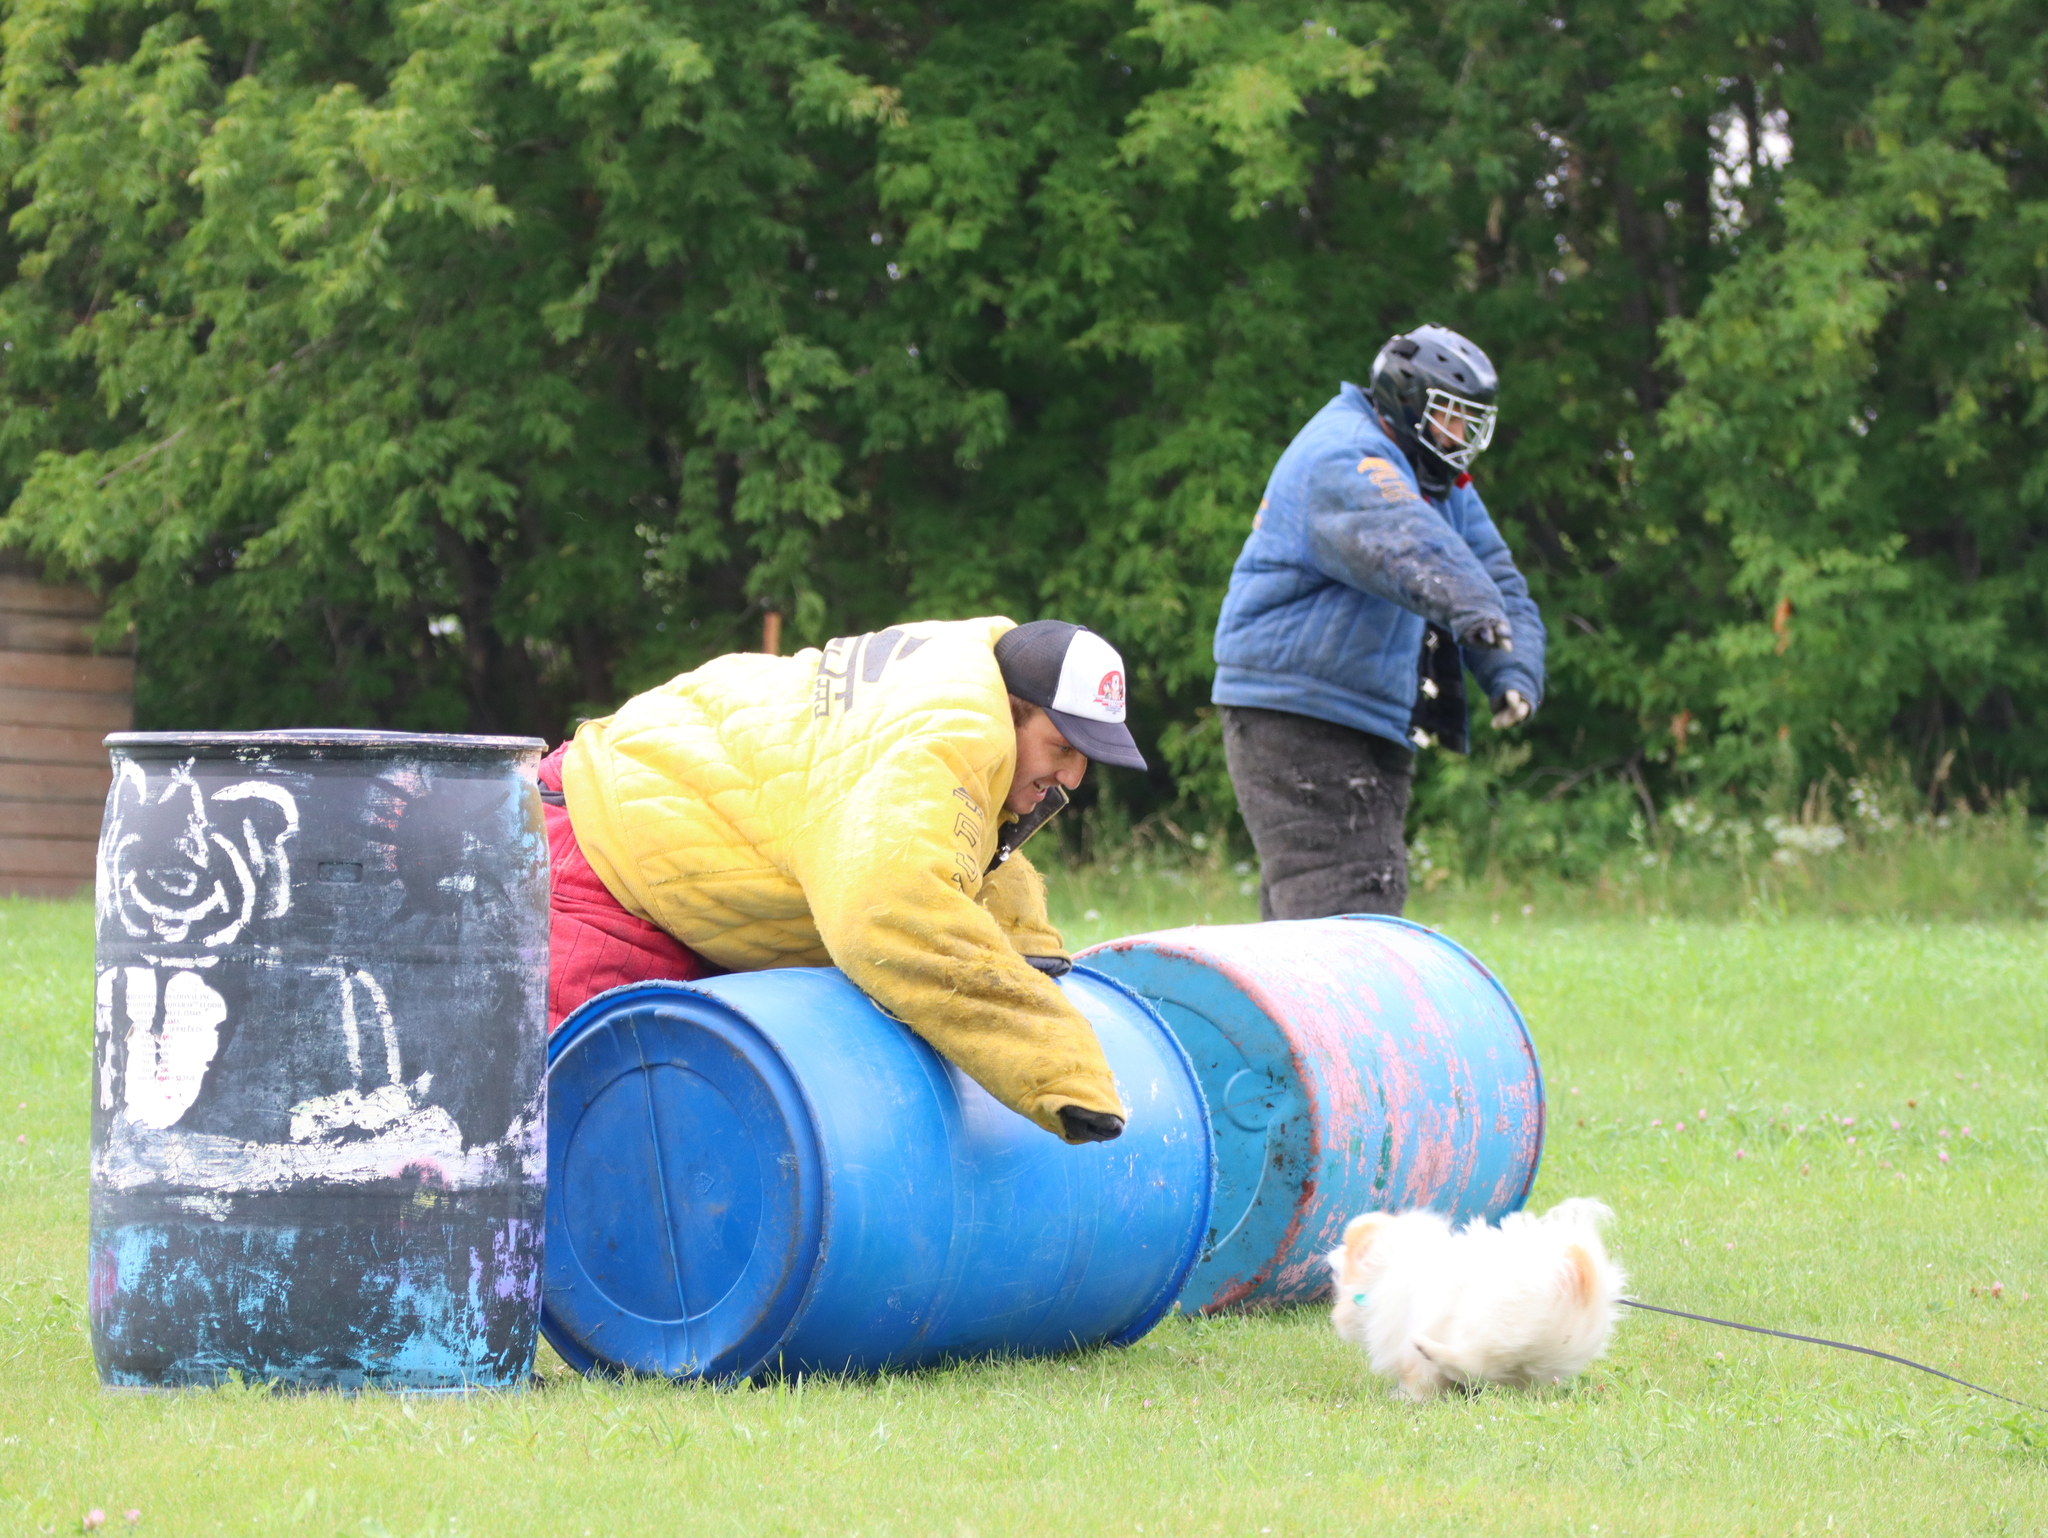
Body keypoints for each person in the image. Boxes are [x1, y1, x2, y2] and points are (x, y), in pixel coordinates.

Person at [541, 616, 1147, 1144]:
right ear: (1012, 711)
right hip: (596, 855)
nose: (1073, 775)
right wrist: (1059, 1066)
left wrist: (1030, 950)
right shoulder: (950, 737)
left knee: (672, 1132)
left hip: (652, 850)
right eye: (1062, 746)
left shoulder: (959, 700)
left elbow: (967, 844)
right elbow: (888, 908)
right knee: (569, 1136)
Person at [1210, 324, 1546, 919]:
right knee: (1352, 896)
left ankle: (1270, 1014)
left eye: (1472, 423)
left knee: (1315, 909)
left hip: (1362, 712)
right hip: (1298, 709)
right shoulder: (1345, 451)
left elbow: (1492, 572)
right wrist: (1472, 608)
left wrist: (1512, 668)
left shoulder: (1436, 477)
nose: (1462, 435)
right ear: (1408, 401)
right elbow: (1400, 538)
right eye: (1451, 417)